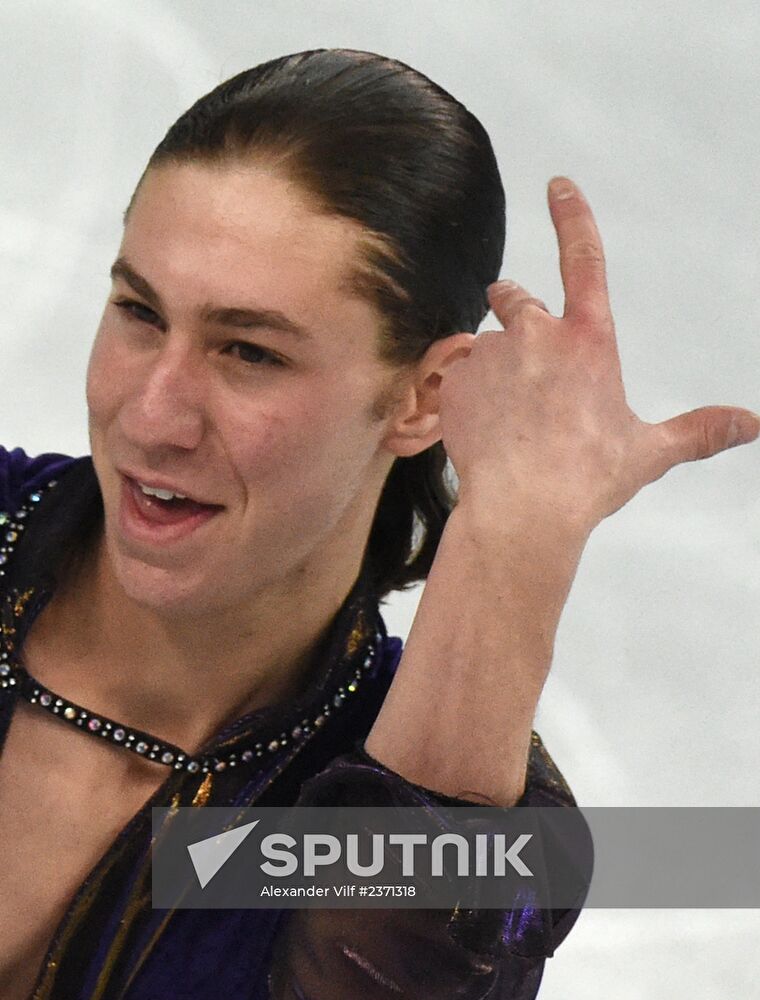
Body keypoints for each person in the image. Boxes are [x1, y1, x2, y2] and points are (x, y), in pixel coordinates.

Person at [0, 47, 756, 1000]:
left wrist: (517, 535)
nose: (152, 416)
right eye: (139, 313)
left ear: (423, 395)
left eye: (249, 352)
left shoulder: (396, 824)